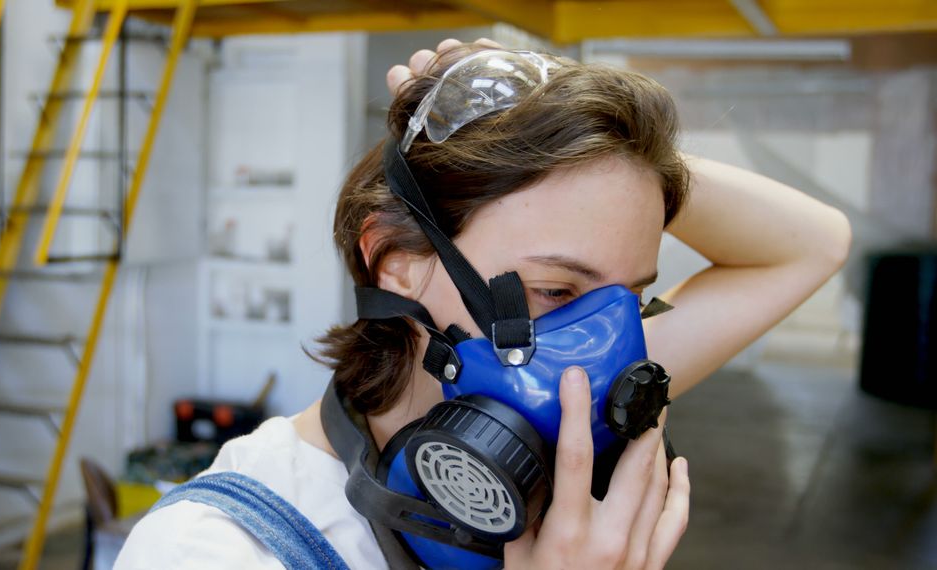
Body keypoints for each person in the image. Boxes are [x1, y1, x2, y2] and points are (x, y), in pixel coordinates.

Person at [115, 39, 851, 569]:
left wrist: (575, 125)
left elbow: (812, 243)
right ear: (397, 264)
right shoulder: (216, 547)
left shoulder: (571, 388)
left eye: (631, 297)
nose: (605, 348)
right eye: (555, 291)